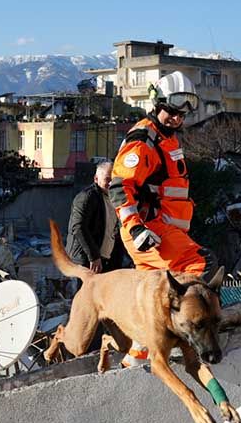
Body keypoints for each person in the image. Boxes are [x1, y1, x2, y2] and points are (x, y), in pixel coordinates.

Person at [110, 71, 220, 367]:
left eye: (181, 114)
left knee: (155, 294)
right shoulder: (143, 140)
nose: (176, 118)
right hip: (150, 231)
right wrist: (136, 228)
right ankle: (192, 330)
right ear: (156, 104)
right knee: (201, 265)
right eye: (171, 111)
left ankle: (136, 359)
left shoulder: (165, 138)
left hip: (160, 231)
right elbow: (121, 187)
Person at [66, 160, 119, 273]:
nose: (111, 184)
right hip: (85, 262)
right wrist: (94, 256)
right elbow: (78, 227)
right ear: (96, 179)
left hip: (105, 261)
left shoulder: (114, 198)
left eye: (113, 180)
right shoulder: (86, 197)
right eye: (107, 179)